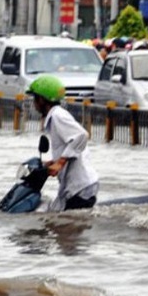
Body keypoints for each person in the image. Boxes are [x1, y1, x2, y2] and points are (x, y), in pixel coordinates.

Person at [26, 75, 99, 212]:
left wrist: (60, 163)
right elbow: (68, 145)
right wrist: (52, 162)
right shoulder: (55, 116)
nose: (34, 105)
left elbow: (81, 135)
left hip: (80, 186)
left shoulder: (57, 116)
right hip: (77, 186)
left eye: (35, 99)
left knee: (66, 231)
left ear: (41, 100)